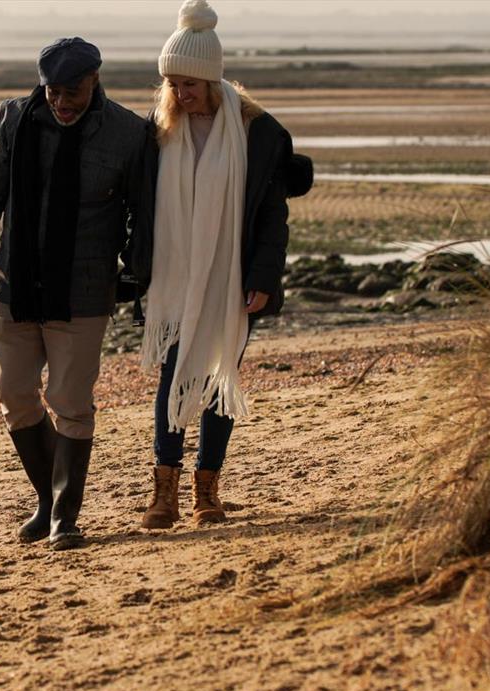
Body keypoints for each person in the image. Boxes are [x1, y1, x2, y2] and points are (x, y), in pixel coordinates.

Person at [0, 37, 156, 551]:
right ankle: (46, 497)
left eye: (72, 92)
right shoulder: (12, 120)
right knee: (14, 394)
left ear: (95, 81)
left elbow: (144, 214)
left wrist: (137, 273)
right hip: (14, 282)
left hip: (83, 291)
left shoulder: (130, 134)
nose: (61, 102)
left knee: (70, 402)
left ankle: (65, 516)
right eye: (53, 92)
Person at [137, 0, 313, 529]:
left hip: (233, 279)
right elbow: (139, 207)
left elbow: (271, 219)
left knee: (219, 376)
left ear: (212, 80)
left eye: (188, 84)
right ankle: (162, 494)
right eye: (171, 84)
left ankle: (206, 491)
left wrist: (262, 278)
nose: (179, 94)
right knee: (172, 375)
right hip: (176, 279)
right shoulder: (160, 131)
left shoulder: (257, 134)